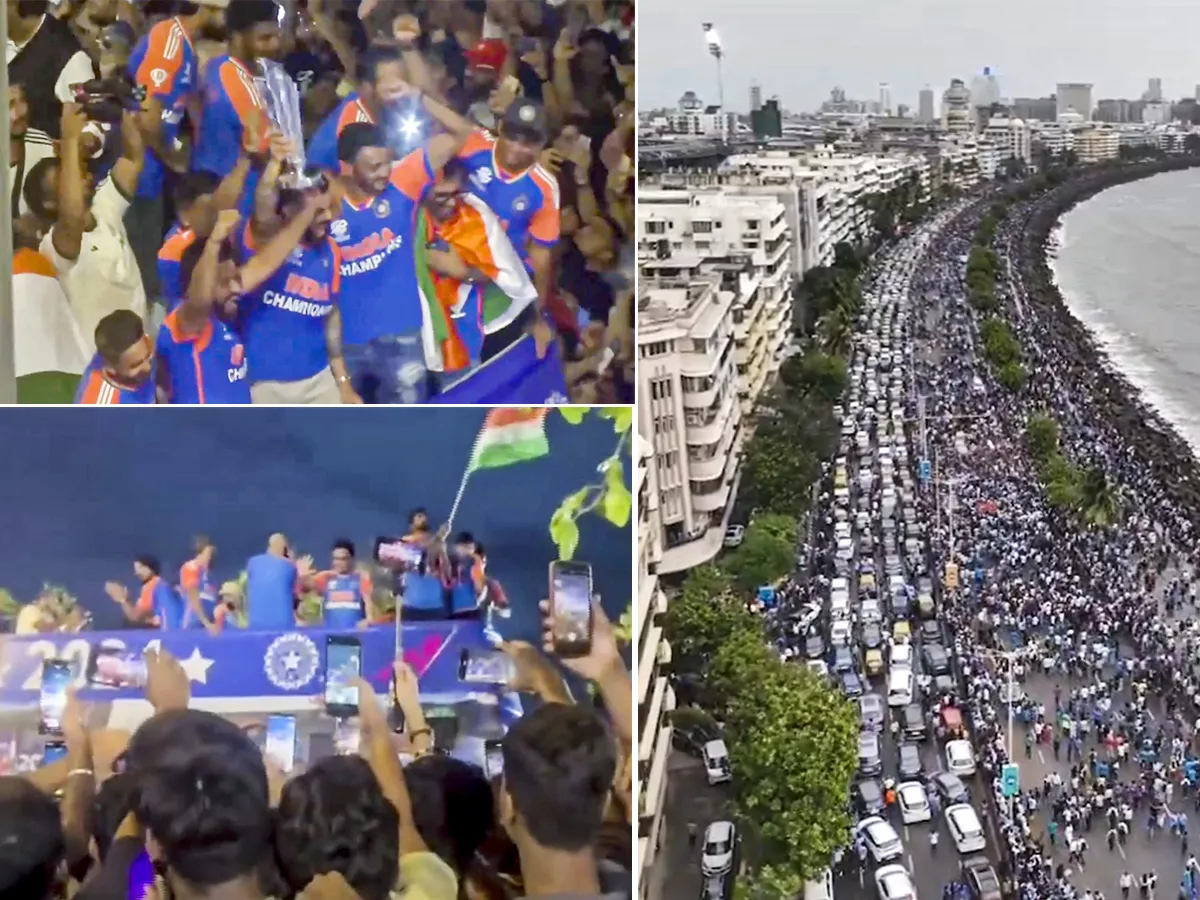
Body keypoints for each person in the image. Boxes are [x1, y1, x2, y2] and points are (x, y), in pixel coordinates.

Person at [75, 309, 156, 404]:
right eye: (136, 365)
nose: (148, 367)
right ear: (111, 371)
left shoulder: (125, 350)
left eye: (148, 354)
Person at [313, 539, 375, 630]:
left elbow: (369, 606)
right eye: (336, 559)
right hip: (330, 633)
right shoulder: (325, 577)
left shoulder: (361, 578)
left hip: (355, 634)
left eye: (343, 559)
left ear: (351, 559)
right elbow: (301, 588)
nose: (339, 563)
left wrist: (368, 620)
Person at [104, 554, 181, 629]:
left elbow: (136, 617)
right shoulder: (157, 585)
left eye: (141, 568)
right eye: (136, 569)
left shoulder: (154, 585)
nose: (137, 572)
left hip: (165, 634)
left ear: (151, 568)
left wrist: (123, 600)